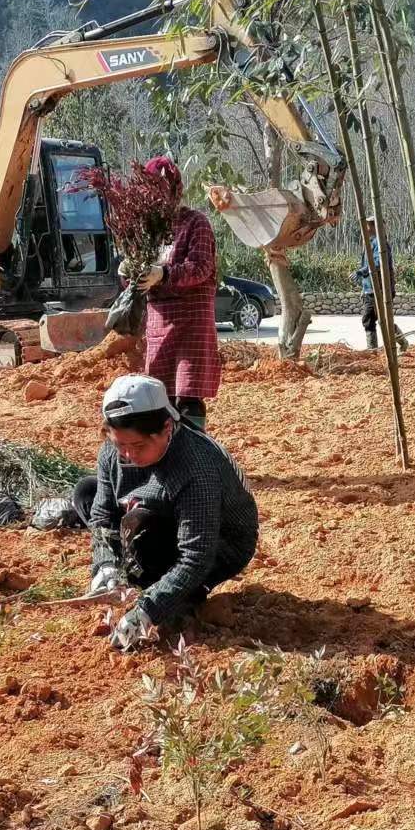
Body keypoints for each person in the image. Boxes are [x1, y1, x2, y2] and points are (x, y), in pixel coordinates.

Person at [72, 374, 259, 651]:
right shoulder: (115, 454)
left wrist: (147, 612)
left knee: (145, 532)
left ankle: (180, 596)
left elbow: (196, 556)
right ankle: (138, 573)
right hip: (158, 514)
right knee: (86, 492)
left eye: (137, 446)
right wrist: (105, 563)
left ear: (167, 428)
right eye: (119, 444)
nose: (127, 455)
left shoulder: (196, 468)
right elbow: (101, 514)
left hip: (219, 543)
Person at [132, 156, 219, 430]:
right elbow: (134, 281)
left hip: (191, 326)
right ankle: (168, 460)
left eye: (160, 191)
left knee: (189, 396)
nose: (154, 198)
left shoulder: (196, 223)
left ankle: (196, 458)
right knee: (160, 398)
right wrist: (130, 273)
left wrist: (164, 274)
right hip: (159, 326)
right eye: (149, 192)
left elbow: (201, 267)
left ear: (174, 191)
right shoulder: (148, 232)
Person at [353, 224, 396, 352]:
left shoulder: (380, 243)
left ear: (373, 227)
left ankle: (400, 341)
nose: (364, 228)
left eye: (367, 226)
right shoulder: (369, 243)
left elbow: (377, 264)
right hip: (369, 288)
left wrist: (361, 272)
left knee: (384, 320)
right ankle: (372, 349)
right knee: (369, 318)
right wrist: (363, 289)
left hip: (381, 289)